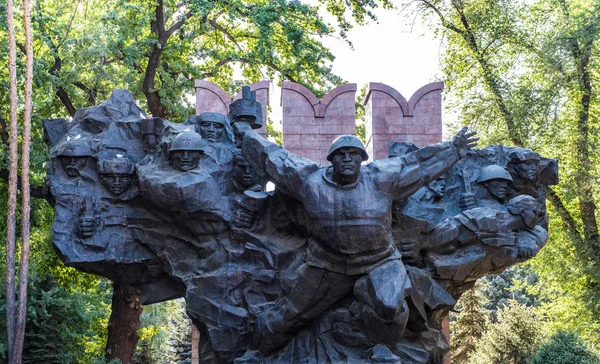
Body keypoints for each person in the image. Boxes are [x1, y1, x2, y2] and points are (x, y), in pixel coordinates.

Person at [233, 121, 478, 355]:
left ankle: (382, 348)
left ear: (363, 158)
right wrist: (245, 135)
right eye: (341, 154)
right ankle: (256, 351)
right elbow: (273, 157)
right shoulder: (308, 180)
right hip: (327, 263)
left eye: (354, 154)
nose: (348, 159)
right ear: (331, 159)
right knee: (291, 313)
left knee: (390, 305)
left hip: (379, 261)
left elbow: (417, 166)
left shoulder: (381, 178)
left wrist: (453, 149)